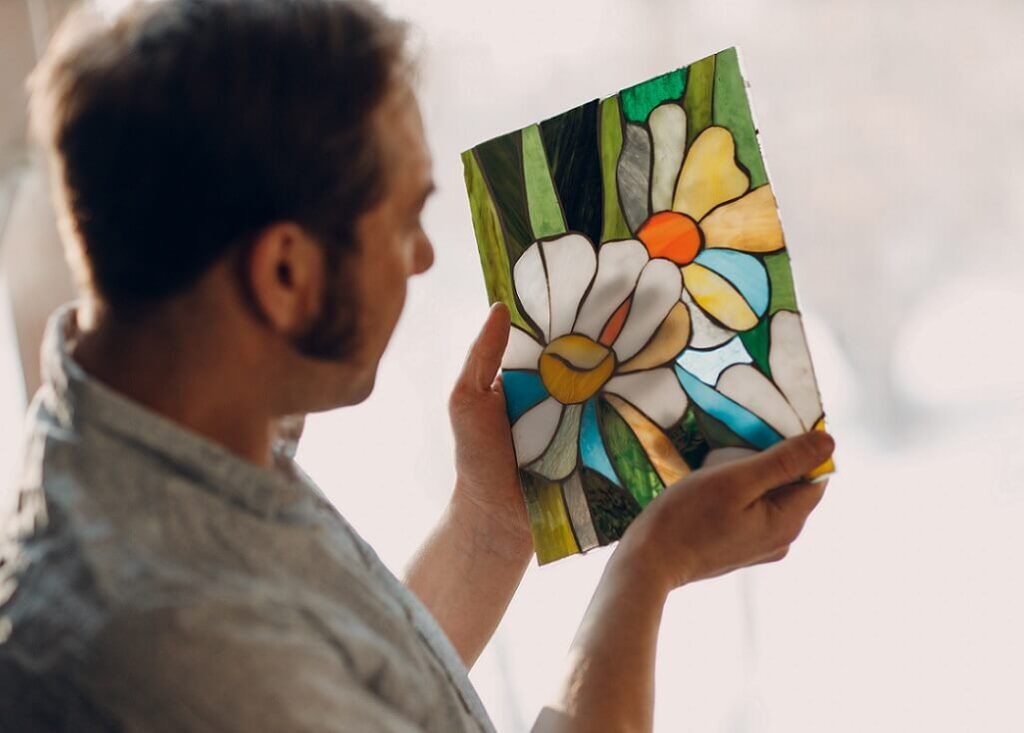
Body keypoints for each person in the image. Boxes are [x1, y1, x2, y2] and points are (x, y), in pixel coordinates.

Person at [0, 1, 835, 730]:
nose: (427, 256)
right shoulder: (168, 644)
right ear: (284, 273)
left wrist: (489, 520)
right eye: (406, 221)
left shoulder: (169, 436)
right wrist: (651, 568)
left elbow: (359, 691)